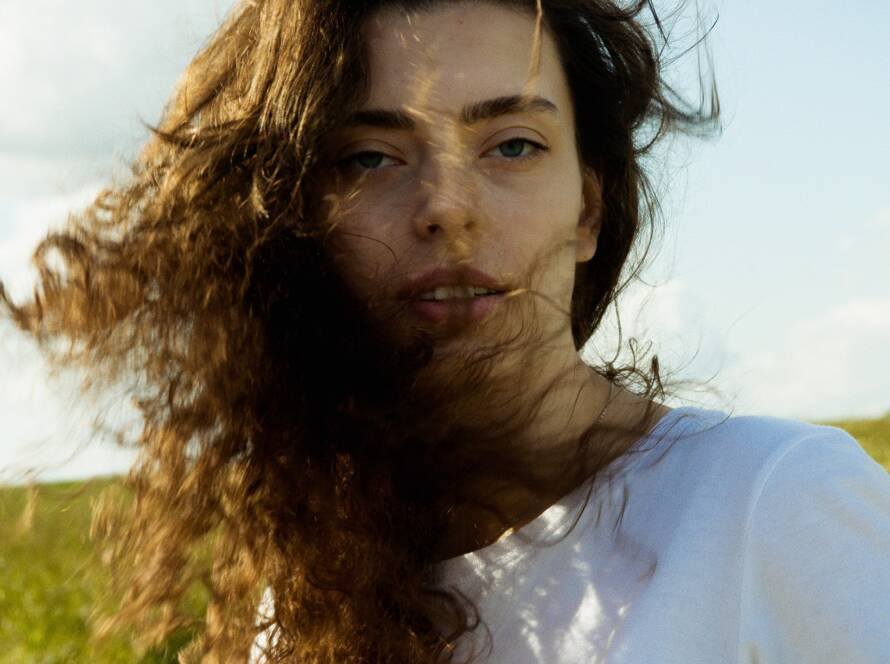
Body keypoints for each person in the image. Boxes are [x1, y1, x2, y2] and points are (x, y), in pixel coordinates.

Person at [2, 0, 888, 662]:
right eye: (370, 158)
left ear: (589, 207)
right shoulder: (311, 593)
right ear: (292, 225)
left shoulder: (774, 503)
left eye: (513, 144)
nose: (447, 209)